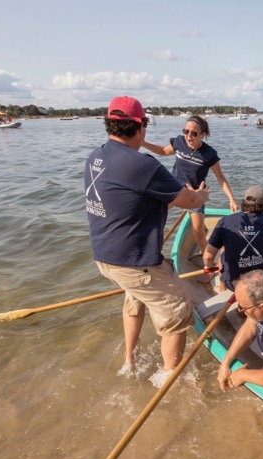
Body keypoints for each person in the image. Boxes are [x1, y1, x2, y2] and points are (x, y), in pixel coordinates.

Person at [84, 96, 210, 380]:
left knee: (135, 299)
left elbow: (128, 200)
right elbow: (189, 200)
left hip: (106, 258)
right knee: (178, 307)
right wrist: (201, 196)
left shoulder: (96, 156)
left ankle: (129, 360)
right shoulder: (142, 165)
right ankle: (168, 377)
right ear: (141, 126)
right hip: (134, 263)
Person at [141, 115, 239, 279]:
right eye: (186, 131)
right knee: (152, 217)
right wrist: (142, 143)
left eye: (194, 133)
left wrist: (231, 199)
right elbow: (163, 151)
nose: (189, 136)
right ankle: (148, 256)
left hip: (194, 197)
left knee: (199, 236)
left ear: (203, 134)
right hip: (173, 192)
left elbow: (221, 179)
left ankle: (210, 269)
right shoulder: (179, 142)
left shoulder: (209, 154)